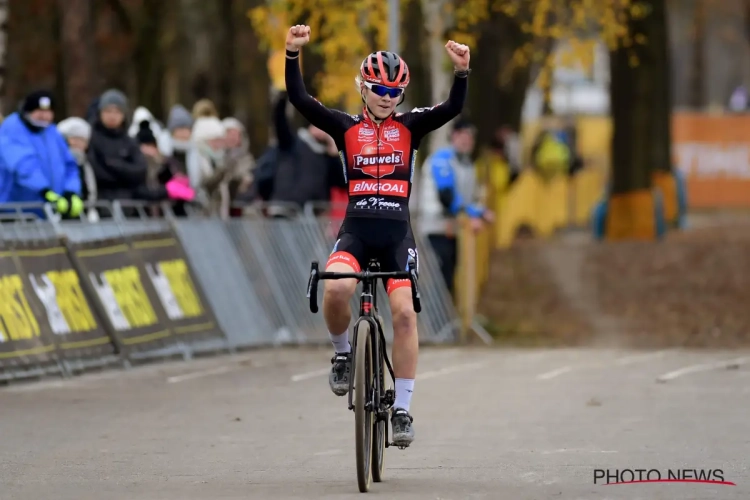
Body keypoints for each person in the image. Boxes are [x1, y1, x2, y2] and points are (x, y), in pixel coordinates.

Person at [285, 24, 470, 447]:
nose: (386, 98)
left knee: (405, 313)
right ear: (363, 88)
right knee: (335, 291)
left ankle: (402, 408)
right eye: (378, 89)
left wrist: (461, 72)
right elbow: (299, 99)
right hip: (355, 231)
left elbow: (451, 109)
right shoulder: (344, 127)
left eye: (394, 92)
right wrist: (293, 54)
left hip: (396, 237)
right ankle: (344, 353)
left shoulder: (411, 127)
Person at [417, 119, 493, 295]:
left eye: (470, 137)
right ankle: (431, 322)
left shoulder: (467, 165)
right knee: (438, 281)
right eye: (463, 136)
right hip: (435, 229)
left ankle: (443, 322)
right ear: (453, 136)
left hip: (454, 229)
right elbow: (448, 197)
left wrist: (479, 212)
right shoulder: (442, 160)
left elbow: (466, 199)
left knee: (449, 279)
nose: (467, 141)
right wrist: (473, 213)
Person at [0, 90, 82, 219]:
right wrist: (44, 191)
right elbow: (22, 164)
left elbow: (69, 164)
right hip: (17, 211)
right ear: (28, 111)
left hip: (48, 211)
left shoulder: (52, 132)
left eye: (48, 112)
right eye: (39, 111)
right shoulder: (12, 129)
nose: (44, 116)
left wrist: (71, 191)